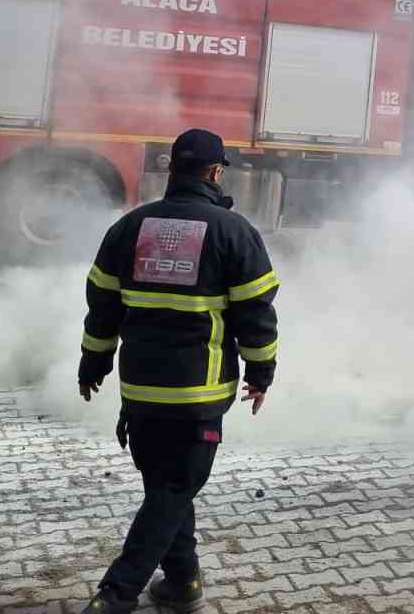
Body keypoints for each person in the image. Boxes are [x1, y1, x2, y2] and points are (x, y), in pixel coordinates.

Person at [75, 129, 280, 613]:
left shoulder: (130, 227)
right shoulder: (234, 232)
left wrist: (93, 361)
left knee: (165, 486)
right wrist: (262, 372)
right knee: (172, 490)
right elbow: (257, 314)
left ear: (172, 170)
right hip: (198, 394)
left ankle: (183, 581)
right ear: (215, 172)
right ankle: (117, 595)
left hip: (141, 390)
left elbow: (101, 305)